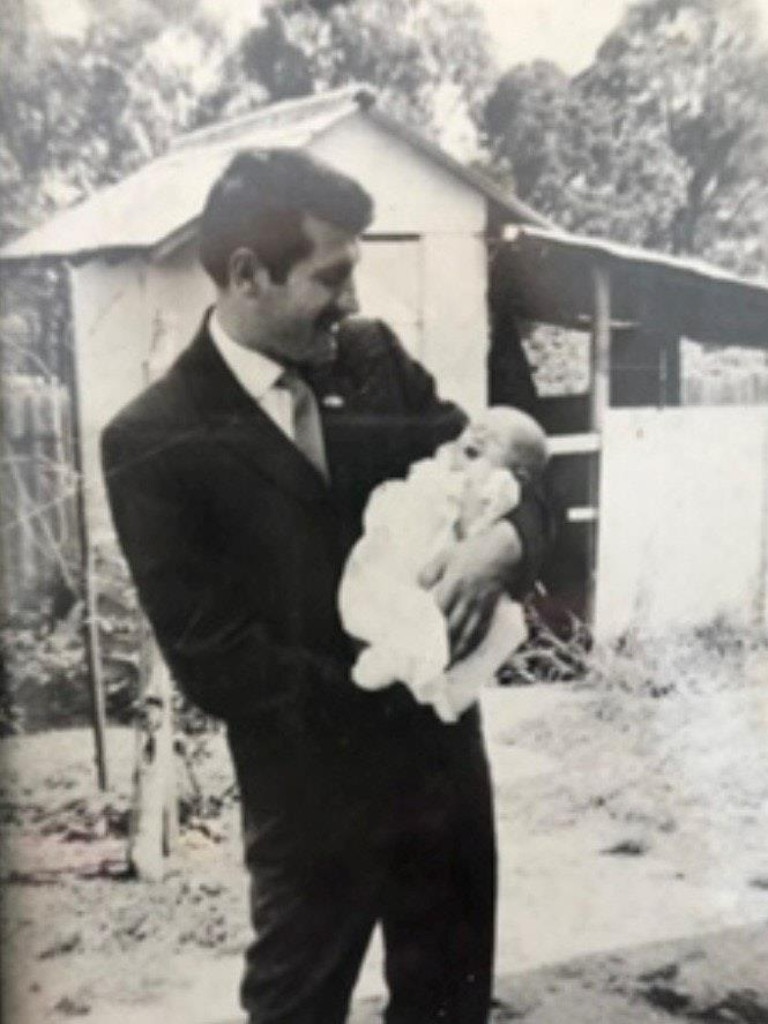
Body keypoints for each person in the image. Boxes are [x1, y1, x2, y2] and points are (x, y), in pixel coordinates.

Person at [101, 148, 552, 1024]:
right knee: (297, 1009)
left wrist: (503, 540)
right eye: (331, 276)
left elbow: (512, 476)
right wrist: (386, 686)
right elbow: (215, 658)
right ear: (246, 275)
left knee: (450, 1008)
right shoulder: (154, 439)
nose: (352, 301)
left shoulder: (373, 358)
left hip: (443, 785)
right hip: (311, 808)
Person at [339, 407, 549, 723]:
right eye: (476, 427)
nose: (477, 433)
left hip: (443, 556)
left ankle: (427, 680)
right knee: (385, 593)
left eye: (494, 439)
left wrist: (510, 537)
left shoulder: (499, 483)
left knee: (445, 618)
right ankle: (397, 659)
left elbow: (531, 499)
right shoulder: (444, 461)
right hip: (406, 546)